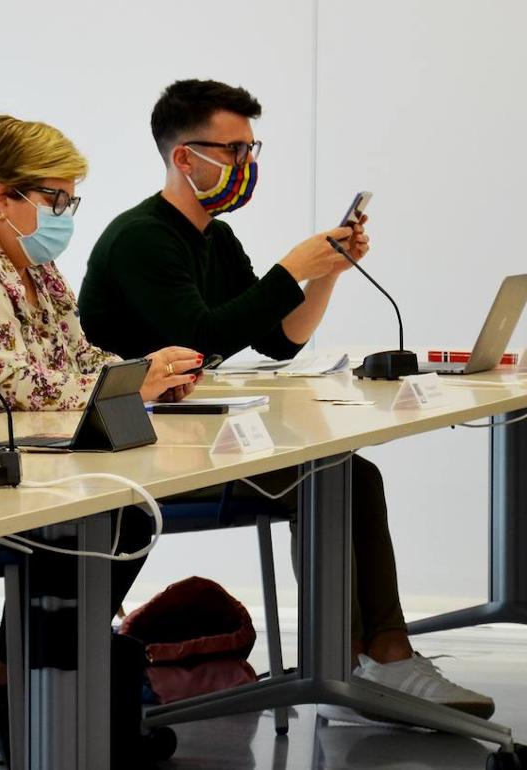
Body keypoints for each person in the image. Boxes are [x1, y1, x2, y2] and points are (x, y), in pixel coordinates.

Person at [78, 78, 494, 722]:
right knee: (328, 477)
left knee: (353, 473)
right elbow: (202, 335)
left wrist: (324, 275)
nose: (246, 163)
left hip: (187, 435)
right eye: (233, 150)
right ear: (185, 156)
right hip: (136, 452)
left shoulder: (215, 238)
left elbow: (276, 339)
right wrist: (294, 267)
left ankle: (382, 653)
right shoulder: (141, 237)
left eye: (251, 148)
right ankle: (351, 662)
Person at [0, 114, 202, 762]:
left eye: (70, 201)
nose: (64, 215)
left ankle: (18, 672)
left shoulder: (32, 265)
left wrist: (146, 373)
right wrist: (129, 384)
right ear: (2, 196)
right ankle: (20, 685)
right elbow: (15, 386)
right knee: (105, 520)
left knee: (129, 514)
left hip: (2, 466)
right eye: (55, 199)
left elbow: (75, 360)